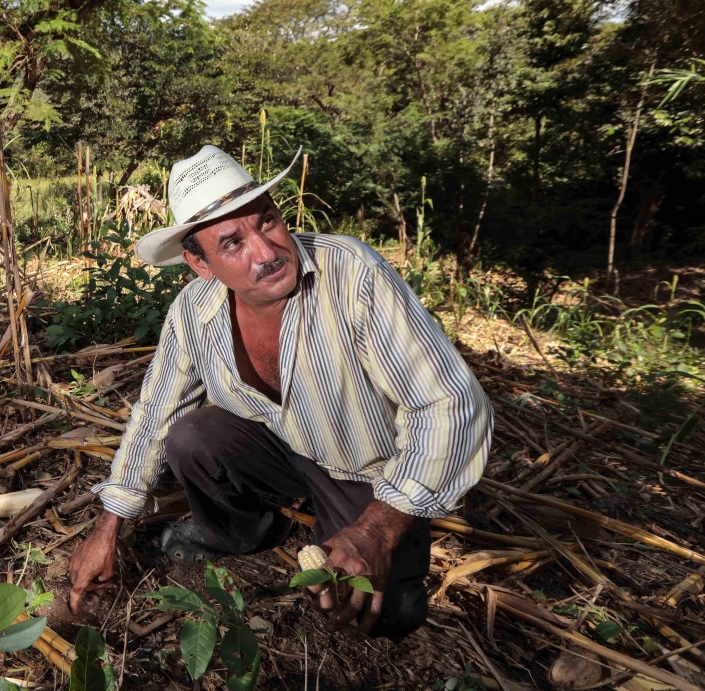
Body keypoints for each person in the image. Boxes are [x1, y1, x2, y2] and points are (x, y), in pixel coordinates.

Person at [68, 146, 493, 640]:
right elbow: (154, 414)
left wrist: (376, 529)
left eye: (267, 222)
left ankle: (351, 524)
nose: (266, 253)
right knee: (190, 437)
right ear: (199, 264)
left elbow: (450, 403)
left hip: (366, 468)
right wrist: (107, 528)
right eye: (232, 243)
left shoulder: (350, 272)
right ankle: (240, 531)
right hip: (280, 446)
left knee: (389, 612)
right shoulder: (193, 312)